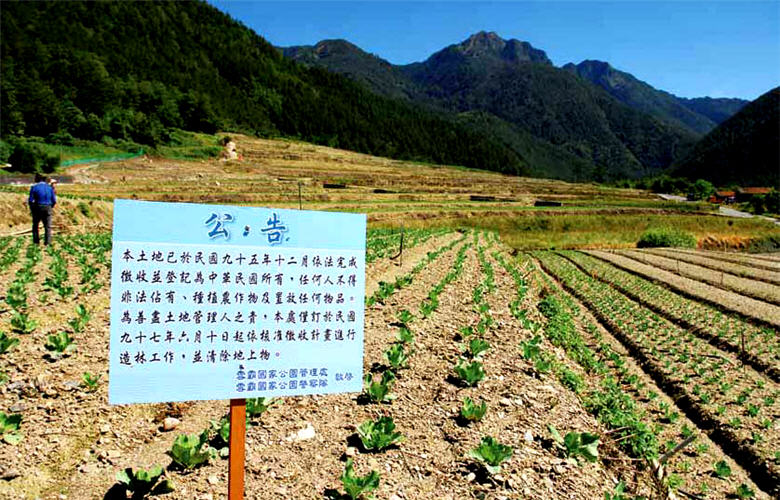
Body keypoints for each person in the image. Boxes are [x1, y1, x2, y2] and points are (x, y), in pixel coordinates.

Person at [28, 173, 56, 246]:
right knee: (48, 226)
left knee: (35, 225)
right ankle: (47, 243)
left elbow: (31, 200)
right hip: (48, 206)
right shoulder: (49, 188)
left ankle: (36, 242)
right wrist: (50, 207)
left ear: (38, 179)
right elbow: (54, 200)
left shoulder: (34, 187)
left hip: (38, 206)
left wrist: (32, 209)